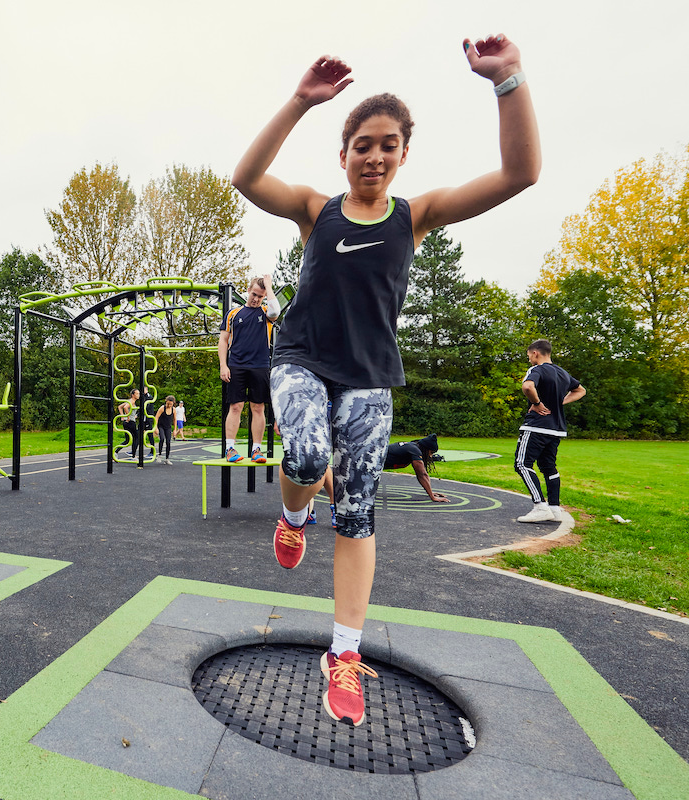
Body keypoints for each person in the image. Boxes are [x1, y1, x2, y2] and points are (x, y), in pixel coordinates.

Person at [231, 34, 539, 726]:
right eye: (362, 144)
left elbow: (520, 175)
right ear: (344, 155)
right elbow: (246, 179)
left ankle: (343, 654)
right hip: (302, 360)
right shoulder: (317, 211)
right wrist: (301, 102)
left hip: (370, 376)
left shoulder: (415, 217)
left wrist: (508, 80)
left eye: (387, 144)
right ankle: (292, 514)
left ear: (403, 153)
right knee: (307, 456)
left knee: (361, 510)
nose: (374, 155)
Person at [515, 340, 585, 522]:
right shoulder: (562, 373)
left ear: (536, 353)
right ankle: (554, 509)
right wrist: (559, 402)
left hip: (537, 425)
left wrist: (537, 404)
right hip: (556, 429)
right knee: (548, 467)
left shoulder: (536, 370)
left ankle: (540, 506)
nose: (529, 359)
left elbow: (527, 386)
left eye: (529, 355)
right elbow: (580, 390)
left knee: (522, 464)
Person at [218, 274, 281, 463]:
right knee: (235, 406)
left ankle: (256, 450)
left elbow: (275, 310)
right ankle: (230, 449)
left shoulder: (265, 313)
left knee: (258, 407)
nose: (256, 299)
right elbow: (223, 340)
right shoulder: (233, 313)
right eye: (254, 294)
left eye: (260, 296)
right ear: (248, 290)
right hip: (236, 365)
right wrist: (223, 365)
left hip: (260, 366)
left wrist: (268, 286)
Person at [384, 434, 449, 502]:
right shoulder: (415, 451)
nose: (430, 456)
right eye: (431, 452)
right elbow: (422, 475)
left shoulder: (414, 446)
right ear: (426, 449)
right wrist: (433, 497)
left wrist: (430, 492)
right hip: (375, 461)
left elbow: (424, 474)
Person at [116, 388, 142, 459]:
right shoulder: (132, 401)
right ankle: (133, 456)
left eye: (139, 393)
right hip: (130, 422)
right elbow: (125, 407)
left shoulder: (129, 401)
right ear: (133, 395)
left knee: (127, 440)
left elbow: (120, 407)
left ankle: (115, 452)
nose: (138, 395)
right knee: (136, 438)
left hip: (127, 422)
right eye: (137, 394)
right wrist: (127, 417)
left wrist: (122, 416)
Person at [153, 395, 177, 464]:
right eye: (168, 404)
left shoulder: (174, 410)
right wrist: (155, 427)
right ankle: (159, 455)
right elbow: (156, 417)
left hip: (168, 427)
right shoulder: (162, 408)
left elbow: (175, 420)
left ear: (173, 403)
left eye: (171, 404)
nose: (169, 405)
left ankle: (167, 458)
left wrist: (175, 430)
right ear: (166, 402)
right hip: (161, 426)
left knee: (168, 442)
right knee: (162, 439)